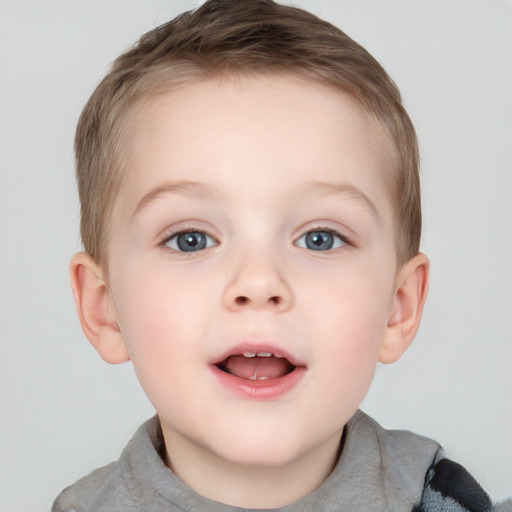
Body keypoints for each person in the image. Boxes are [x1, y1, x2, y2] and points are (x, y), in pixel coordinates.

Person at [52, 1, 509, 511]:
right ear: (104, 306)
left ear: (398, 307)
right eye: (190, 239)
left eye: (320, 238)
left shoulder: (443, 498)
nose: (259, 281)